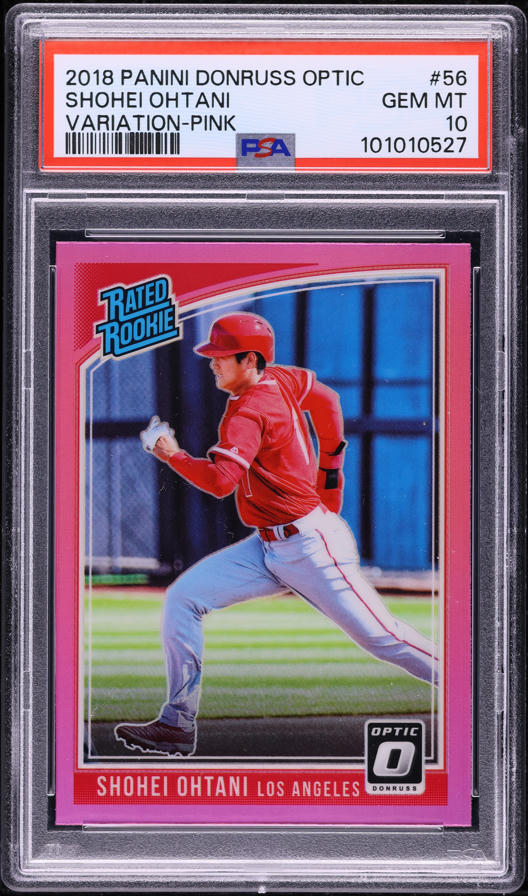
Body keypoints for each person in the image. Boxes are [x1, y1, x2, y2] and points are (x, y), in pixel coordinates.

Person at [115, 312, 438, 756]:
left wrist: (171, 454)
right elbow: (327, 400)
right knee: (182, 598)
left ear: (249, 360)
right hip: (268, 546)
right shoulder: (280, 378)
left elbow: (221, 482)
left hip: (310, 547)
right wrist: (330, 472)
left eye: (222, 356)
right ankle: (177, 724)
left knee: (384, 639)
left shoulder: (249, 411)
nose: (212, 362)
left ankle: (473, 688)